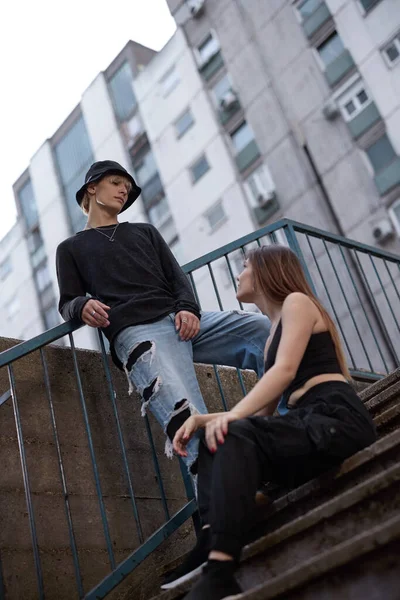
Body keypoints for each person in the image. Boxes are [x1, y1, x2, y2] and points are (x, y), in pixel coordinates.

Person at [171, 244, 377, 600]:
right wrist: (204, 419)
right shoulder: (270, 336)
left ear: (267, 271)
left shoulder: (298, 302)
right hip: (306, 426)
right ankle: (210, 537)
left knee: (233, 432)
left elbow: (283, 373)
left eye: (245, 266)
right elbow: (263, 415)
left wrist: (233, 418)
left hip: (335, 418)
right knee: (213, 438)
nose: (239, 273)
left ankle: (220, 571)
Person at [56, 160, 270, 478]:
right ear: (92, 188)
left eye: (126, 187)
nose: (123, 190)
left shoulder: (144, 232)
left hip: (179, 320)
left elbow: (176, 277)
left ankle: (288, 416)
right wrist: (81, 307)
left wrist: (188, 308)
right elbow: (67, 301)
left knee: (261, 329)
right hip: (138, 333)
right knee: (186, 413)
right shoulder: (70, 248)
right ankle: (223, 505)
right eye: (116, 182)